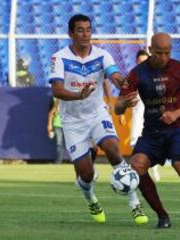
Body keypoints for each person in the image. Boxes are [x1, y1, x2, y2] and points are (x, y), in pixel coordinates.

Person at [115, 33, 180, 230]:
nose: (163, 57)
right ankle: (163, 216)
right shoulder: (137, 73)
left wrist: (177, 113)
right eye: (159, 53)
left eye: (167, 52)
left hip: (178, 128)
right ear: (150, 50)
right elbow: (118, 107)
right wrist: (122, 104)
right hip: (152, 131)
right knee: (137, 166)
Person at [48, 14, 148, 224]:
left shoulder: (103, 55)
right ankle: (91, 199)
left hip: (97, 114)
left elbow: (115, 75)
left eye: (88, 29)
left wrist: (125, 86)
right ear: (71, 33)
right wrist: (78, 95)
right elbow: (57, 90)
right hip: (72, 121)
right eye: (80, 30)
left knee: (113, 148)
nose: (85, 34)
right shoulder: (60, 57)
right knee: (86, 173)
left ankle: (135, 204)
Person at [130, 49, 161, 182]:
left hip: (152, 117)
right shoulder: (133, 76)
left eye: (145, 60)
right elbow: (126, 95)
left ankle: (153, 168)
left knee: (153, 143)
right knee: (134, 143)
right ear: (136, 62)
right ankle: (138, 172)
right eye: (140, 61)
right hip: (137, 117)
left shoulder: (156, 76)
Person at [47, 97, 65, 164]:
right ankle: (58, 162)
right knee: (59, 144)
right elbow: (51, 113)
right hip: (58, 124)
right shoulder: (54, 99)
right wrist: (49, 125)